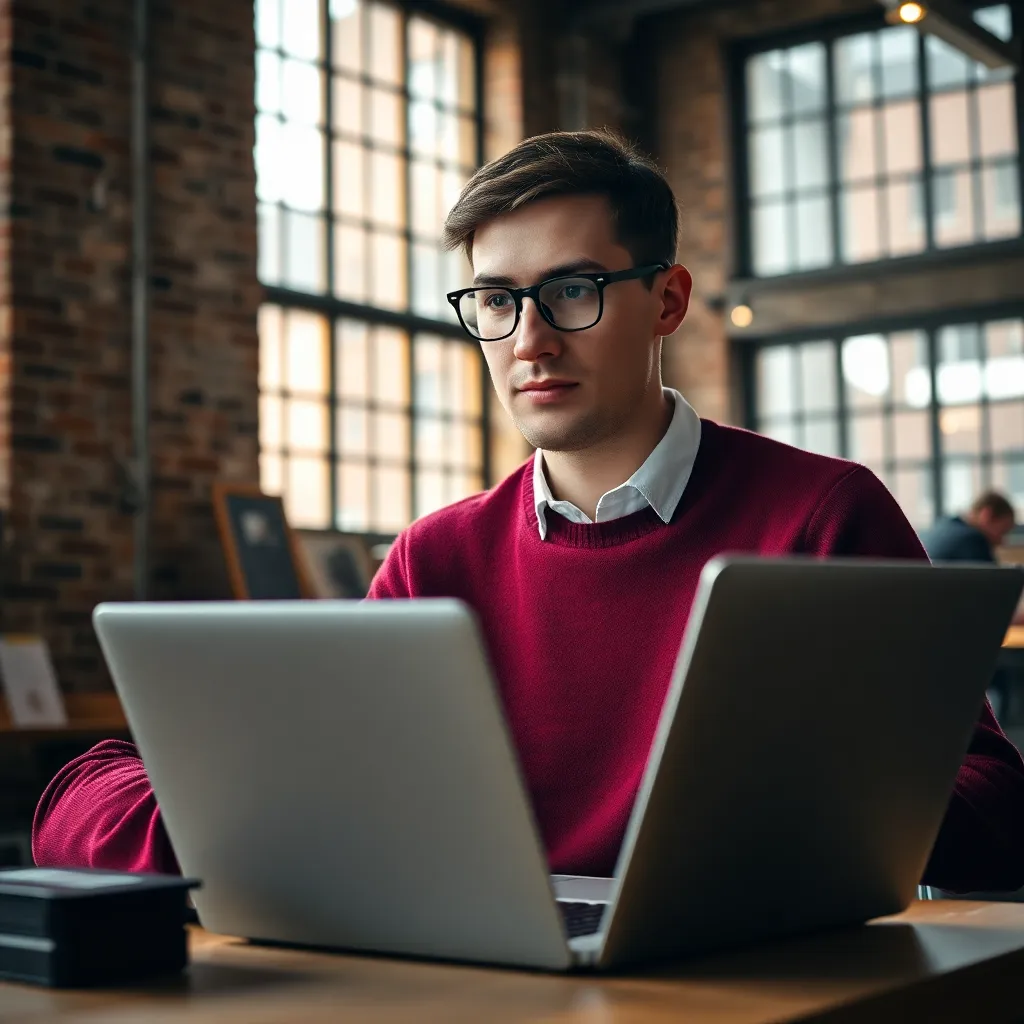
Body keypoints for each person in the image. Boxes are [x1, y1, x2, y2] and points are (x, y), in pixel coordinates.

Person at [32, 130, 1024, 894]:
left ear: (667, 300)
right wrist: (244, 811)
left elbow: (994, 802)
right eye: (496, 301)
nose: (529, 341)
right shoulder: (435, 558)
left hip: (745, 978)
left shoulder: (819, 514)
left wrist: (814, 811)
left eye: (572, 290)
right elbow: (94, 810)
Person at [921, 491, 1017, 564]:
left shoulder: (941, 527)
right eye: (1003, 531)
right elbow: (993, 580)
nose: (1002, 541)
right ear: (986, 515)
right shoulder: (973, 540)